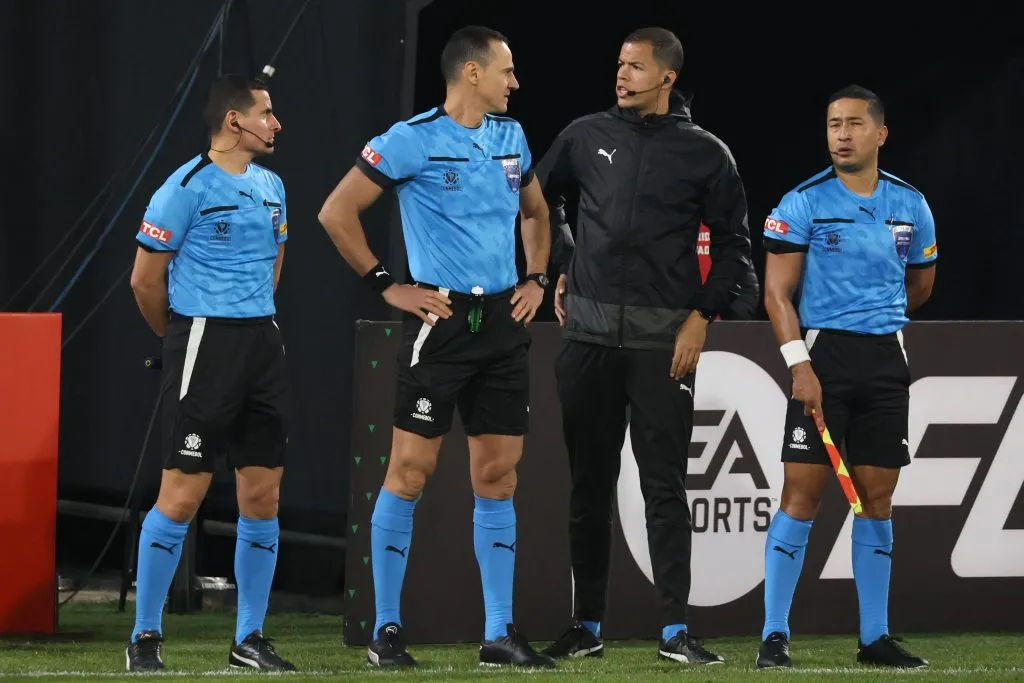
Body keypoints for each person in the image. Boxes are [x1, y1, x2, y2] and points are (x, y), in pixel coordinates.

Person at [317, 26, 554, 669]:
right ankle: (385, 630)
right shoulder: (411, 138)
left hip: (502, 324)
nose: (515, 82)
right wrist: (387, 287)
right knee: (410, 473)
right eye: (506, 70)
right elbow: (337, 212)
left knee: (497, 477)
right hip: (439, 323)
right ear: (471, 73)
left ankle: (499, 634)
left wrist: (536, 279)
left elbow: (537, 213)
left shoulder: (513, 137)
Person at [534, 27, 754, 665]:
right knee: (588, 488)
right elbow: (538, 202)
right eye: (619, 65)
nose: (621, 75)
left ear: (667, 78)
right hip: (588, 341)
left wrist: (701, 317)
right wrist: (562, 265)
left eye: (635, 67)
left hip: (665, 347)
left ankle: (675, 632)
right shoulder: (583, 135)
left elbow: (737, 250)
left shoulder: (706, 153)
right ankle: (587, 627)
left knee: (664, 487)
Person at [757, 84, 935, 670]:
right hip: (822, 360)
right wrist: (799, 364)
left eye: (854, 124)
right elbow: (777, 293)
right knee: (800, 496)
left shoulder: (911, 205)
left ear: (880, 134)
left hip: (885, 362)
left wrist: (876, 317)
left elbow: (919, 285)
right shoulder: (802, 202)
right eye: (833, 124)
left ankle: (874, 638)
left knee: (876, 500)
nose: (841, 134)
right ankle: (774, 636)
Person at [125, 74, 294, 672]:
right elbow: (145, 281)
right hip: (201, 340)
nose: (275, 123)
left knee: (263, 495)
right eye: (267, 113)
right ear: (233, 122)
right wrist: (179, 339)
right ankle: (144, 638)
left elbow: (274, 261)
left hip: (262, 347)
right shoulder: (185, 187)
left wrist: (254, 324)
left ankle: (249, 639)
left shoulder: (272, 186)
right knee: (183, 493)